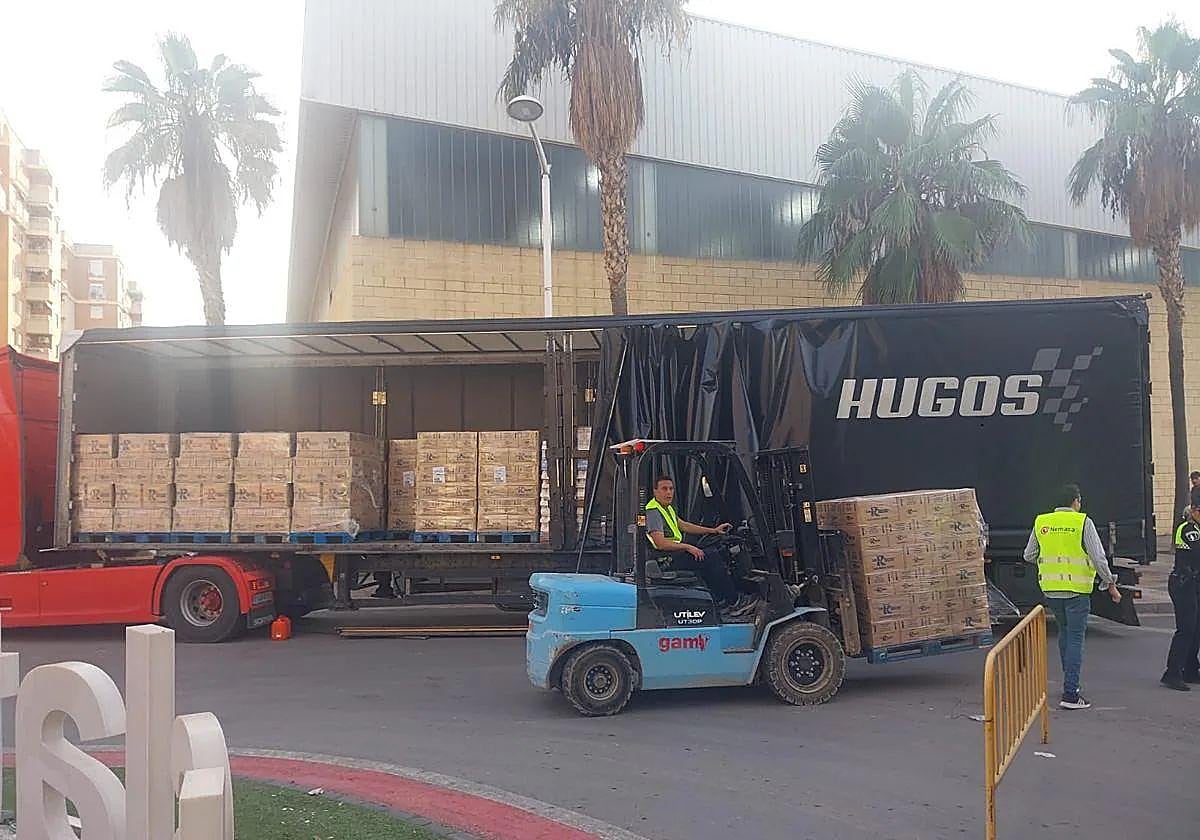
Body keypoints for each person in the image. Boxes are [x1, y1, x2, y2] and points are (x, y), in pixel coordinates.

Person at [1023, 483, 1121, 711]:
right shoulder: (1082, 522)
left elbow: (1029, 555)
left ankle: (1069, 682)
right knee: (1076, 638)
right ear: (1076, 501)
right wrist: (1110, 583)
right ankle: (1071, 693)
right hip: (1077, 591)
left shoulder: (1042, 522)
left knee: (1064, 634)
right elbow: (1098, 558)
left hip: (1051, 590)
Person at [645, 475, 756, 618]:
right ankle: (734, 602)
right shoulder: (653, 511)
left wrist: (713, 530)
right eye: (664, 489)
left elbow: (684, 525)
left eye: (671, 489)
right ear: (655, 491)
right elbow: (660, 543)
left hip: (672, 555)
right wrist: (688, 547)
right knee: (711, 557)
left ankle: (720, 600)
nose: (668, 492)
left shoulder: (666, 508)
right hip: (666, 560)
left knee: (714, 553)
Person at [1162, 506, 1200, 691]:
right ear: (1193, 511)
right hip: (1183, 583)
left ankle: (1191, 669)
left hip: (1194, 584)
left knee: (1196, 628)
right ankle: (1172, 673)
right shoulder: (1188, 529)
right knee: (1186, 629)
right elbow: (1196, 554)